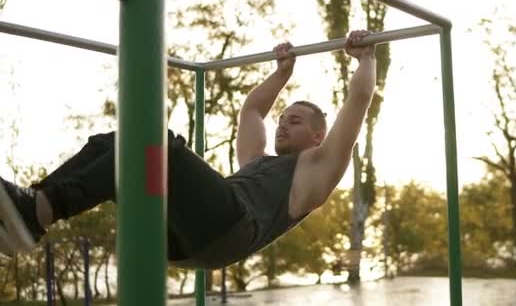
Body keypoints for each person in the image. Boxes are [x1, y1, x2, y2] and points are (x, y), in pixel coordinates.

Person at [0, 30, 376, 269]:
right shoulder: (256, 161)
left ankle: (42, 210)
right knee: (116, 142)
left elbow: (357, 102)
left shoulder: (316, 171)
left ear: (317, 137)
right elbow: (253, 110)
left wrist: (367, 58)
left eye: (294, 121)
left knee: (158, 142)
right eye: (283, 118)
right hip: (181, 238)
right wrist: (281, 73)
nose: (282, 123)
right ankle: (34, 207)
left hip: (230, 229)